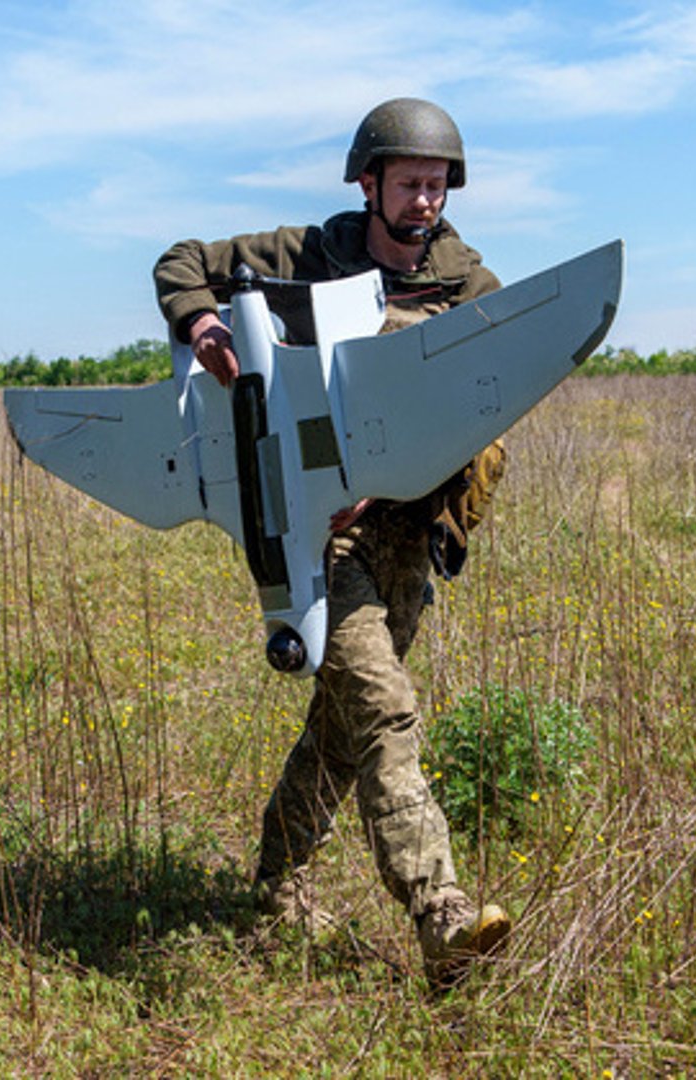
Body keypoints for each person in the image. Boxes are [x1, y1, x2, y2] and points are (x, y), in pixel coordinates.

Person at [153, 98, 510, 988]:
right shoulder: (312, 253)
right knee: (385, 711)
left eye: (437, 185)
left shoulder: (474, 288)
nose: (425, 200)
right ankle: (444, 918)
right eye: (410, 183)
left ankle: (275, 881)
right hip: (324, 531)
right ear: (369, 182)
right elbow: (182, 261)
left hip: (409, 536)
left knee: (342, 733)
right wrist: (203, 323)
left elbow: (495, 397)